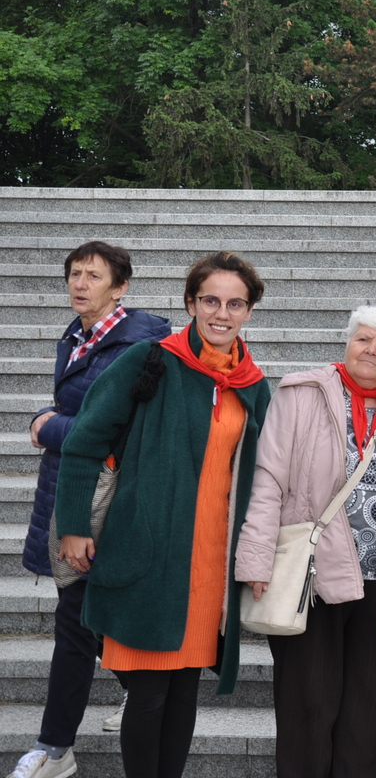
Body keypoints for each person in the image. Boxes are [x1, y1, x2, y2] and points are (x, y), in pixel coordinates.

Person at [53, 251, 270, 778]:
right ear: (191, 303)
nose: (221, 313)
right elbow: (84, 442)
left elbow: (262, 476)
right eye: (210, 300)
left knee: (183, 692)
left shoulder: (253, 384)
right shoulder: (150, 359)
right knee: (149, 693)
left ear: (249, 311)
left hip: (209, 563)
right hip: (146, 552)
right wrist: (74, 526)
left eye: (235, 304)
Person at [235, 306, 376, 778]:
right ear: (347, 342)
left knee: (365, 709)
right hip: (311, 576)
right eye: (363, 339)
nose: (371, 351)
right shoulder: (302, 393)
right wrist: (255, 557)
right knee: (308, 704)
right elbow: (267, 479)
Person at [9, 243, 169, 778]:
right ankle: (133, 693)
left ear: (120, 287)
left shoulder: (141, 346)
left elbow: (123, 431)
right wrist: (52, 419)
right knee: (80, 619)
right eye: (74, 273)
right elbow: (81, 413)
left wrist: (48, 426)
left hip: (107, 502)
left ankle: (56, 747)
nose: (80, 283)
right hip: (71, 491)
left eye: (93, 276)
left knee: (76, 624)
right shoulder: (79, 334)